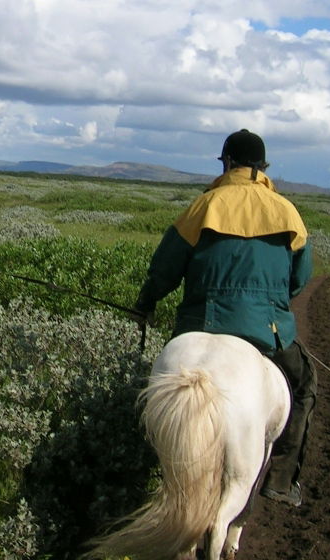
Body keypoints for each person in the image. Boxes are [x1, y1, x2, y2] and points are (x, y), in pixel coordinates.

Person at [133, 129, 316, 507]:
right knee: (303, 386)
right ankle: (281, 482)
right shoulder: (287, 211)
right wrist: (272, 308)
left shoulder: (204, 206)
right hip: (267, 330)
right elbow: (299, 279)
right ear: (262, 167)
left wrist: (145, 303)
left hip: (200, 326)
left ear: (228, 162)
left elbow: (164, 269)